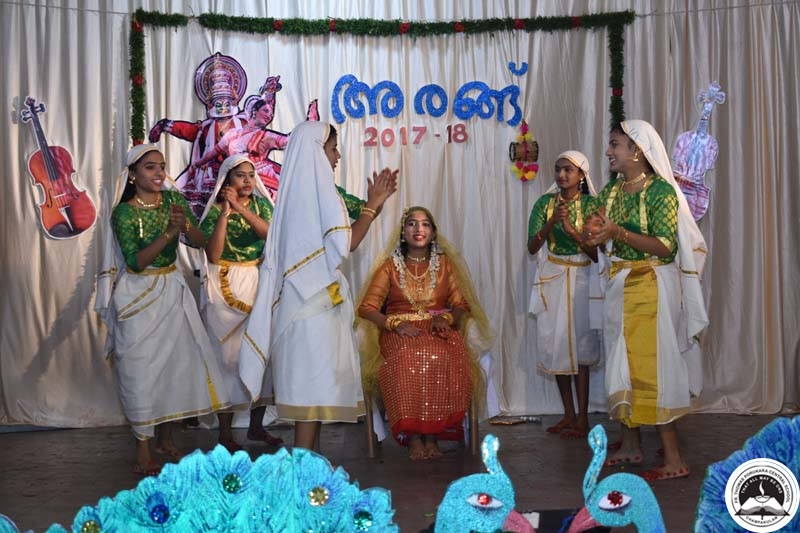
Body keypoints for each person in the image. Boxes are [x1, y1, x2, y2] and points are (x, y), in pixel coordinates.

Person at [238, 121, 398, 451]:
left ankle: (309, 463)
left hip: (300, 304)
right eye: (333, 149)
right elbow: (346, 244)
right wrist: (372, 206)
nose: (337, 156)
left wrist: (374, 205)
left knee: (309, 400)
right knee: (310, 398)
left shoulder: (293, 195)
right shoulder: (322, 193)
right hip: (312, 307)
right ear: (315, 151)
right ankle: (304, 470)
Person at [583, 120, 708, 481]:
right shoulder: (611, 191)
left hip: (651, 284)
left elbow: (665, 246)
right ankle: (630, 444)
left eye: (615, 144)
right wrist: (591, 233)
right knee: (621, 363)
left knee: (654, 367)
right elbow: (597, 230)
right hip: (619, 284)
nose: (608, 151)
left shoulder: (661, 193)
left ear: (637, 150)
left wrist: (617, 232)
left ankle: (674, 458)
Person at [95, 144, 231, 475]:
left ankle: (165, 438)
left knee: (174, 366)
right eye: (150, 167)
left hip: (172, 290)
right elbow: (136, 262)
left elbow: (199, 240)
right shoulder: (123, 213)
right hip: (138, 296)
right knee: (140, 370)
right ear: (133, 175)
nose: (159, 173)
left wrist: (186, 227)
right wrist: (170, 232)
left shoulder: (172, 200)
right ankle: (142, 449)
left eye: (162, 166)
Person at [357, 207, 494, 460]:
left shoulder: (445, 265)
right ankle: (413, 438)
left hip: (437, 328)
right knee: (408, 358)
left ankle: (432, 437)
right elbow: (367, 308)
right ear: (403, 232)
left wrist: (446, 318)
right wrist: (394, 325)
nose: (418, 229)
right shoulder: (390, 266)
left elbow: (461, 304)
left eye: (425, 224)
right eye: (412, 224)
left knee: (443, 355)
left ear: (433, 233)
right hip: (399, 331)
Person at [199, 153, 284, 451]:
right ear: (227, 180)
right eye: (240, 175)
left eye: (250, 174)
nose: (247, 180)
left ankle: (256, 427)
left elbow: (271, 236)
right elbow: (213, 253)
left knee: (262, 353)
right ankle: (224, 433)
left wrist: (239, 207)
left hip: (258, 281)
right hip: (225, 283)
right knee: (226, 359)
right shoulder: (215, 211)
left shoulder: (261, 206)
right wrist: (226, 211)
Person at [527, 150, 601, 440]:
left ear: (582, 175)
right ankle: (568, 414)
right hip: (554, 278)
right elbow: (532, 247)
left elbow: (598, 255)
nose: (561, 175)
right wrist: (551, 223)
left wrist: (571, 231)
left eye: (568, 170)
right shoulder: (545, 204)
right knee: (557, 345)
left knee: (581, 348)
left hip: (583, 279)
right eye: (558, 169)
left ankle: (583, 418)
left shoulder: (593, 205)